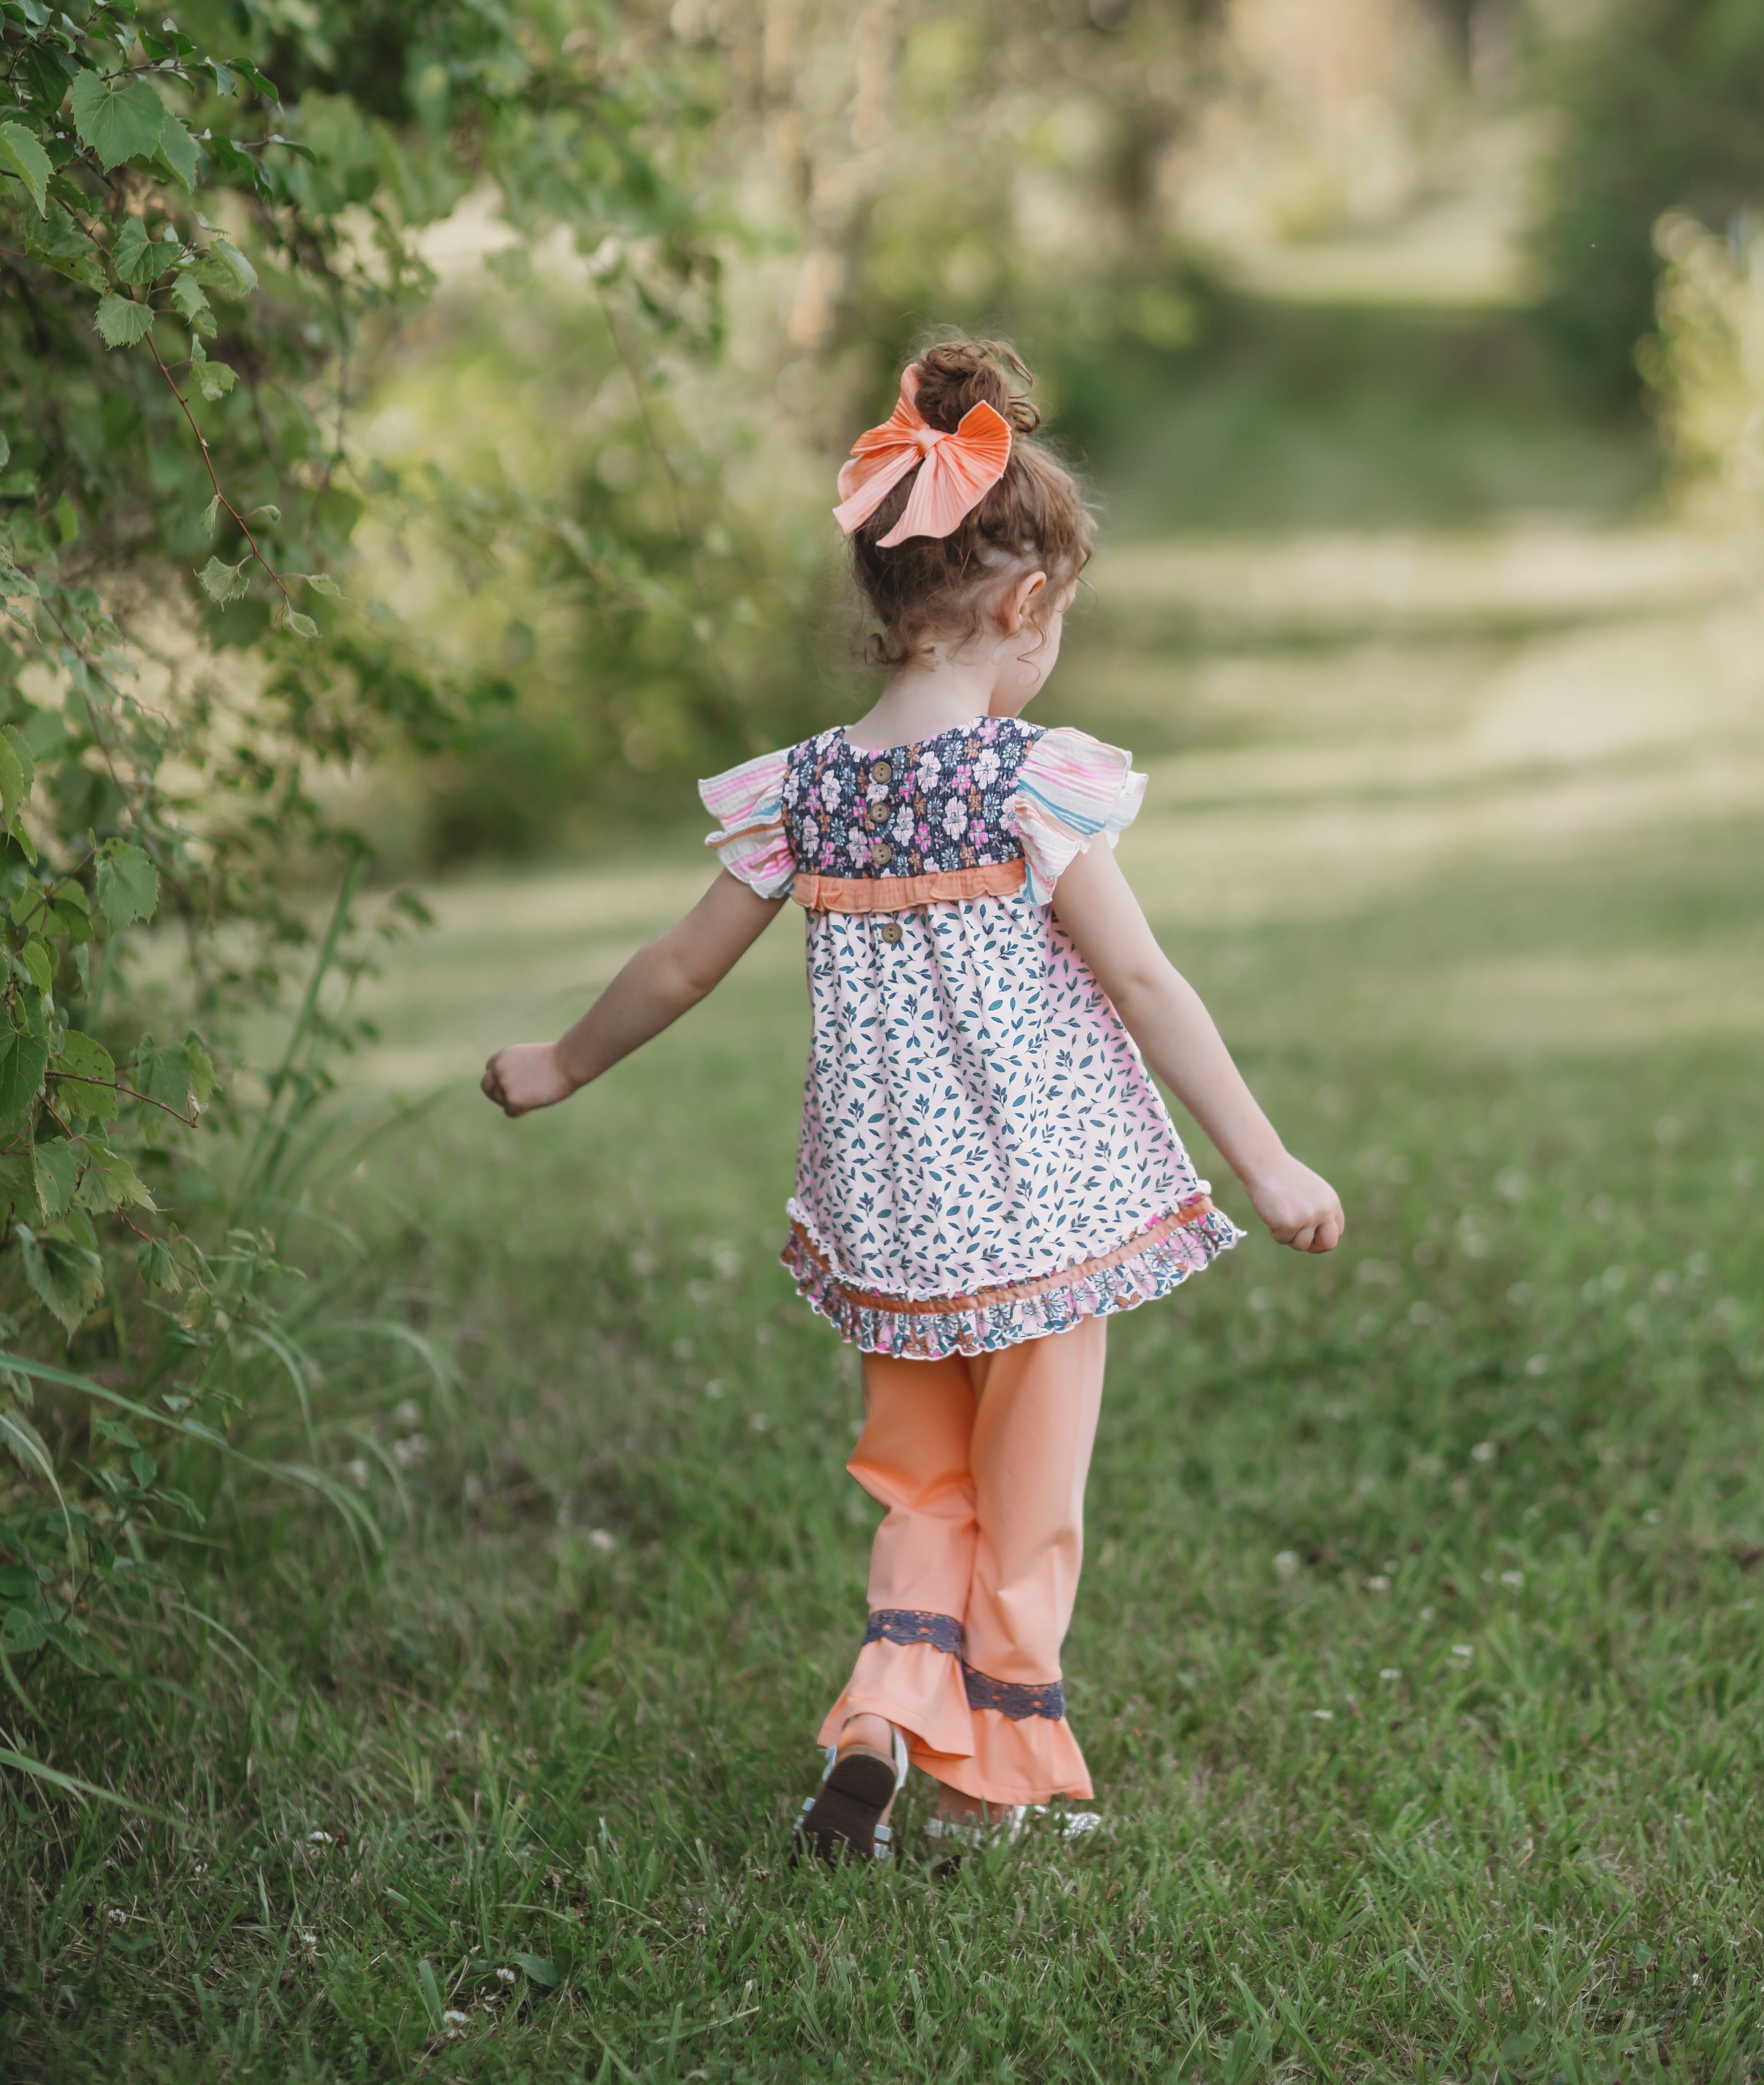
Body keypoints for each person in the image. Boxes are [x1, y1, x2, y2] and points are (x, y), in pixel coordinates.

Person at [482, 338, 1345, 1864]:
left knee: (918, 1482)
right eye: (1057, 623)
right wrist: (1264, 1162)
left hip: (891, 1223)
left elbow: (679, 970)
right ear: (1023, 607)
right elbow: (1147, 986)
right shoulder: (1026, 785)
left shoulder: (809, 790)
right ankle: (994, 1782)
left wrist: (557, 1064)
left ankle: (882, 1704)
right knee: (1028, 1502)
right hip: (1044, 1216)